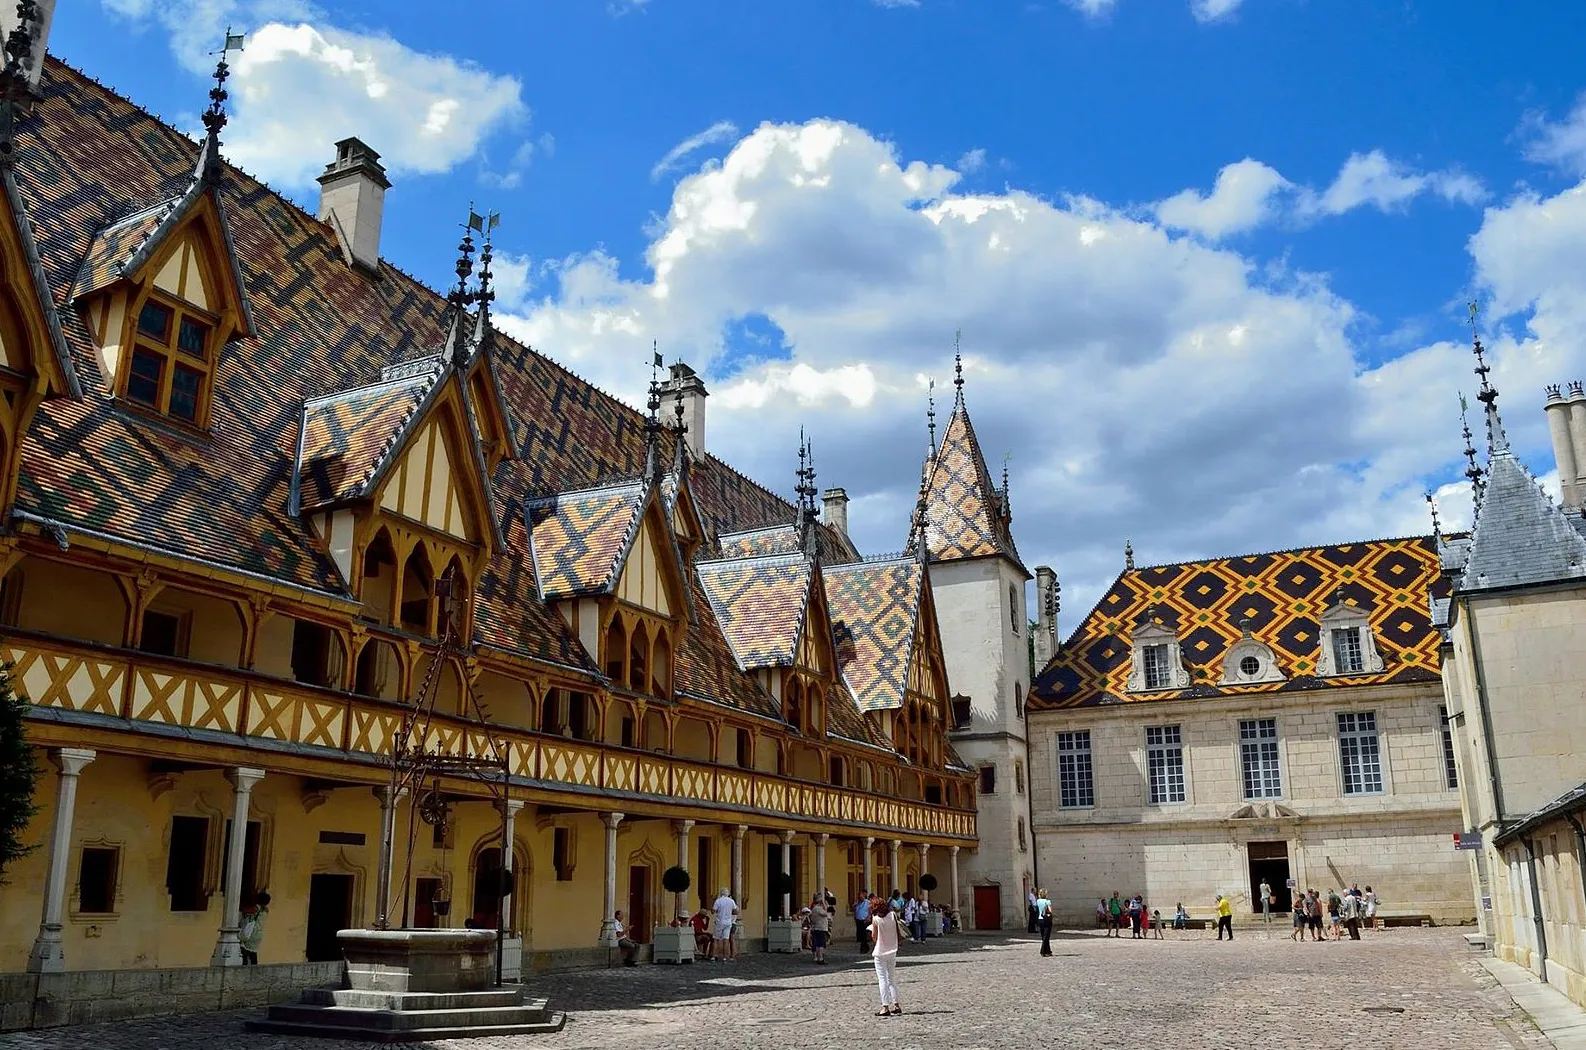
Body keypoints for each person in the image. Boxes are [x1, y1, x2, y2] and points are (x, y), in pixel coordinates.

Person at [869, 898, 902, 1016]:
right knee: (892, 979)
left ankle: (885, 1006)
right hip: (892, 950)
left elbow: (874, 937)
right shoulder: (893, 915)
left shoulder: (876, 919)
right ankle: (896, 1004)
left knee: (882, 979)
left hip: (880, 952)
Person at [238, 891, 269, 965]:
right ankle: (254, 966)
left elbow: (244, 910)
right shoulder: (265, 910)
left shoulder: (256, 908)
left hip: (251, 933)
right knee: (253, 952)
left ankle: (245, 965)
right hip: (258, 934)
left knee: (244, 950)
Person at [711, 887, 738, 961]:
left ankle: (713, 956)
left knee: (715, 939)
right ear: (727, 893)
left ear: (721, 893)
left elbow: (713, 911)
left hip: (719, 921)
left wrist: (717, 911)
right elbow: (735, 911)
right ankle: (725, 957)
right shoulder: (731, 901)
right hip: (728, 922)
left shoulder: (718, 901)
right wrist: (729, 913)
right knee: (726, 940)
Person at [809, 895, 831, 964]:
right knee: (821, 944)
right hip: (821, 928)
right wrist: (825, 906)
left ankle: (818, 957)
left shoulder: (814, 909)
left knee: (818, 944)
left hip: (816, 928)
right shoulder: (818, 909)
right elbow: (825, 913)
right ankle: (820, 958)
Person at [1033, 888, 1054, 956]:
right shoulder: (1048, 901)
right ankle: (1043, 951)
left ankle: (1048, 951)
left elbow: (1036, 909)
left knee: (1043, 936)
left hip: (1040, 919)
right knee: (1046, 936)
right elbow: (1050, 911)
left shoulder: (1038, 901)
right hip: (1046, 919)